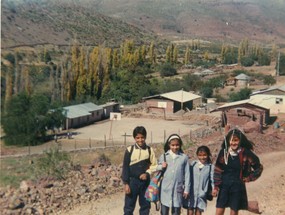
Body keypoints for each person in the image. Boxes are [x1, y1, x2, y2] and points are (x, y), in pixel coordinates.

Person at [213, 128, 263, 215]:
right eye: (231, 140)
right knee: (219, 211)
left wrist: (249, 178)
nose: (233, 143)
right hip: (224, 186)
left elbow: (258, 168)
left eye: (236, 140)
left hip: (237, 187)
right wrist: (216, 187)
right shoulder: (224, 153)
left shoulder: (246, 153)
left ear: (240, 141)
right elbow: (218, 170)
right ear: (228, 141)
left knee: (234, 211)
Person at [121, 126, 157, 215]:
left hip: (145, 183)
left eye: (142, 137)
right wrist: (126, 184)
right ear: (134, 138)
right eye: (137, 138)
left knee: (145, 206)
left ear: (145, 137)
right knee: (128, 207)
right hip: (132, 182)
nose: (140, 140)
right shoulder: (130, 150)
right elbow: (125, 168)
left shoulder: (149, 150)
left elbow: (154, 165)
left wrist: (147, 173)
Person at [157, 134, 190, 215]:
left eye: (177, 145)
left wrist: (186, 189)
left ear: (180, 145)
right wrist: (161, 166)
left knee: (176, 211)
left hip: (177, 189)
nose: (175, 147)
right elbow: (157, 170)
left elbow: (187, 174)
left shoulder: (183, 158)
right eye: (173, 145)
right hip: (165, 189)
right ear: (169, 145)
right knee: (164, 211)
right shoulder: (164, 156)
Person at [186, 146, 214, 215]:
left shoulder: (210, 167)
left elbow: (212, 179)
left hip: (202, 193)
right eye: (200, 155)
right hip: (192, 192)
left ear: (208, 155)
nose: (202, 157)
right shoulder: (193, 164)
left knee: (199, 211)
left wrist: (214, 189)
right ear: (197, 155)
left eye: (204, 155)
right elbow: (187, 177)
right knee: (190, 210)